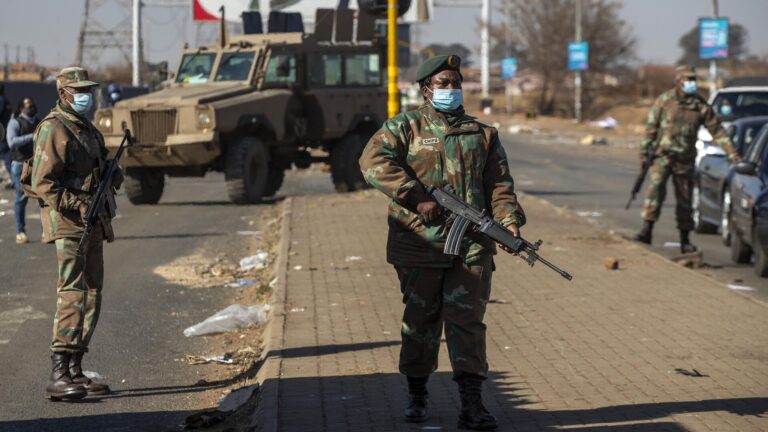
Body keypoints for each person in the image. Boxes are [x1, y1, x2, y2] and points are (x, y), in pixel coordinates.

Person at [359, 55, 525, 430]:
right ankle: (417, 394)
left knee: (468, 324)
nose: (451, 88)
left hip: (472, 246)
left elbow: (500, 185)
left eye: (455, 82)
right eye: (443, 82)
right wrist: (415, 196)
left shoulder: (482, 134)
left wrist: (509, 223)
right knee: (421, 322)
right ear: (426, 89)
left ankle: (472, 404)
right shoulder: (405, 127)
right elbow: (372, 162)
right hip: (419, 243)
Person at [31, 67, 122, 401]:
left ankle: (75, 368)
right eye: (79, 90)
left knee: (93, 292)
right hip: (69, 223)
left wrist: (112, 175)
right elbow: (43, 183)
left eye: (89, 90)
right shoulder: (53, 129)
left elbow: (97, 169)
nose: (86, 95)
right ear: (63, 93)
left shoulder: (87, 129)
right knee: (72, 291)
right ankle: (59, 372)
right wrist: (76, 202)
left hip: (94, 220)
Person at [634, 65, 739, 253]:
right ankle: (646, 229)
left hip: (685, 159)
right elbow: (651, 127)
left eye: (693, 80)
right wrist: (644, 152)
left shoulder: (700, 106)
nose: (691, 84)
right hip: (662, 157)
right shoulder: (665, 101)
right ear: (678, 82)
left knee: (685, 199)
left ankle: (685, 239)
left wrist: (732, 153)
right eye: (687, 80)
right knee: (655, 191)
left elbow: (718, 131)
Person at [7, 97, 40, 243]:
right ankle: (20, 231)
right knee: (21, 198)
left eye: (32, 105)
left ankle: (46, 231)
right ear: (21, 108)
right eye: (28, 106)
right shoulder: (15, 122)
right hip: (20, 164)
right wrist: (32, 137)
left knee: (42, 197)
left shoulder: (39, 121)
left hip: (37, 163)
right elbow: (12, 142)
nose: (31, 108)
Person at [0, 84, 13, 187]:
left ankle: (13, 179)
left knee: (6, 155)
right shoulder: (5, 100)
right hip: (4, 130)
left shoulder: (1, 100)